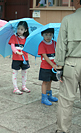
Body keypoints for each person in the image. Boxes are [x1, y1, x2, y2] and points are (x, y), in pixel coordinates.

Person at [55, 0, 81, 132]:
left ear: (77, 2)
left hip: (72, 63)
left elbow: (61, 46)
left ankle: (62, 130)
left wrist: (59, 66)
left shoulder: (67, 19)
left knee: (66, 100)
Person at [8, 21, 30, 95]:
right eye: (18, 29)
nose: (19, 31)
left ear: (25, 30)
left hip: (24, 58)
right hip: (16, 58)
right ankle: (15, 88)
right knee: (15, 72)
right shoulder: (14, 37)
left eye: (21, 29)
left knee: (24, 72)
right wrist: (16, 52)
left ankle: (23, 86)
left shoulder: (27, 38)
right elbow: (12, 46)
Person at [38, 28, 58, 106]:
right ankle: (44, 97)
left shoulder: (54, 43)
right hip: (45, 67)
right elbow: (45, 56)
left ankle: (49, 96)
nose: (48, 37)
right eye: (46, 35)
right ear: (42, 35)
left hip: (53, 67)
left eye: (50, 35)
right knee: (45, 82)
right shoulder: (42, 44)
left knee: (50, 81)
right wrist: (52, 64)